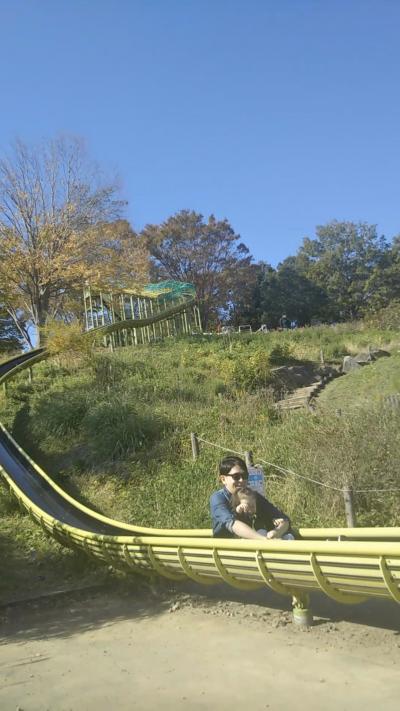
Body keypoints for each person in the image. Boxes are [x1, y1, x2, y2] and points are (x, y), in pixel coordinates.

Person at [209, 455, 294, 540]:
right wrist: (262, 539)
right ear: (223, 479)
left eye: (244, 476)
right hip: (226, 549)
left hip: (252, 547)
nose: (241, 480)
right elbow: (232, 524)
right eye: (236, 477)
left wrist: (276, 532)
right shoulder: (218, 498)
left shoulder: (252, 496)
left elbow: (284, 519)